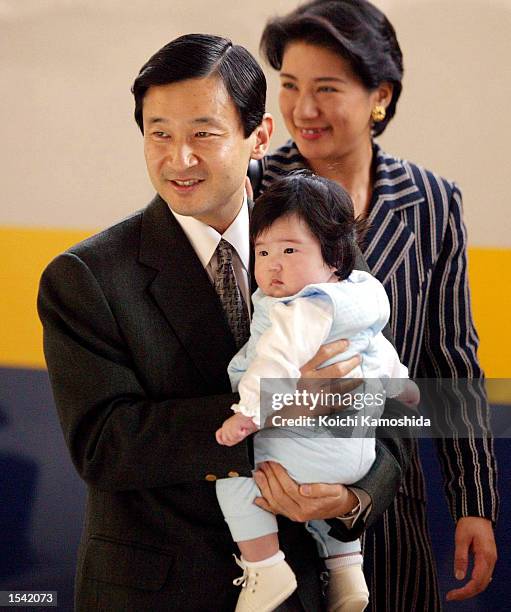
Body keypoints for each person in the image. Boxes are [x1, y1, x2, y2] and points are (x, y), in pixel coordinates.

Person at [37, 34, 411, 611]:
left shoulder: (315, 238)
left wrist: (350, 500)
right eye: (159, 133)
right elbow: (104, 446)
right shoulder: (86, 276)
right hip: (158, 594)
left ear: (259, 136)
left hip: (308, 590)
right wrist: (284, 403)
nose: (178, 158)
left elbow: (386, 407)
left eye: (203, 134)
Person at [255, 1, 499, 610]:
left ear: (380, 97)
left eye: (326, 88)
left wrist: (473, 503)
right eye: (289, 86)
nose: (302, 110)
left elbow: (450, 362)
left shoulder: (432, 202)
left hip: (385, 500)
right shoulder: (253, 190)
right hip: (273, 500)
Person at [215, 172, 419, 612]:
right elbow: (378, 350)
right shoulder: (358, 297)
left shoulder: (299, 308)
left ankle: (265, 566)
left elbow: (275, 360)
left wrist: (251, 411)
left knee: (234, 483)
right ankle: (347, 571)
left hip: (300, 457)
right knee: (326, 521)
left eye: (289, 251)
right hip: (354, 455)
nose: (272, 264)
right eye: (263, 251)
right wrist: (401, 383)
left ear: (334, 258)